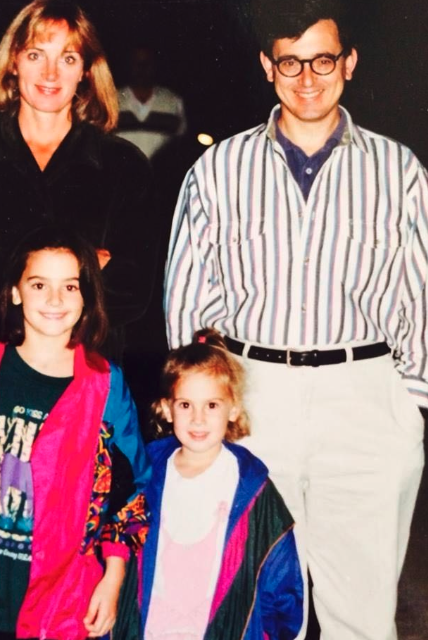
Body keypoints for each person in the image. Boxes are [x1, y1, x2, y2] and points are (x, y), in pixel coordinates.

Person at [164, 1, 428, 638]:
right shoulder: (218, 171)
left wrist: (407, 410)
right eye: (290, 61)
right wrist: (203, 411)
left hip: (365, 398)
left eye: (322, 60)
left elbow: (420, 298)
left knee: (362, 615)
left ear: (349, 63)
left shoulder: (399, 172)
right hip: (254, 396)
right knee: (248, 604)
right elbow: (186, 304)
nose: (307, 78)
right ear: (267, 66)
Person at [0, 226, 150, 640]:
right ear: (14, 292)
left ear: (87, 297)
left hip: (59, 602)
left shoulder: (106, 388)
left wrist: (113, 578)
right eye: (39, 284)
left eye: (70, 286)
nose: (55, 300)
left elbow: (131, 491)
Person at [0, 0, 156, 365]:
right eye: (36, 55)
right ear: (13, 62)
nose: (50, 74)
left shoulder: (124, 165)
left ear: (86, 71)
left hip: (87, 381)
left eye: (67, 58)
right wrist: (84, 269)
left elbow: (133, 293)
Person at [114, 328, 303, 640]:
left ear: (233, 409)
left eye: (212, 405)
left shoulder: (252, 489)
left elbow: (282, 579)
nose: (198, 419)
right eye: (186, 405)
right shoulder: (145, 478)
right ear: (166, 408)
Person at [116, 46, 187, 160]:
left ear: (155, 66)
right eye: (137, 63)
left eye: (146, 63)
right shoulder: (113, 100)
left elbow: (180, 144)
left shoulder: (173, 101)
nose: (141, 68)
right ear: (129, 66)